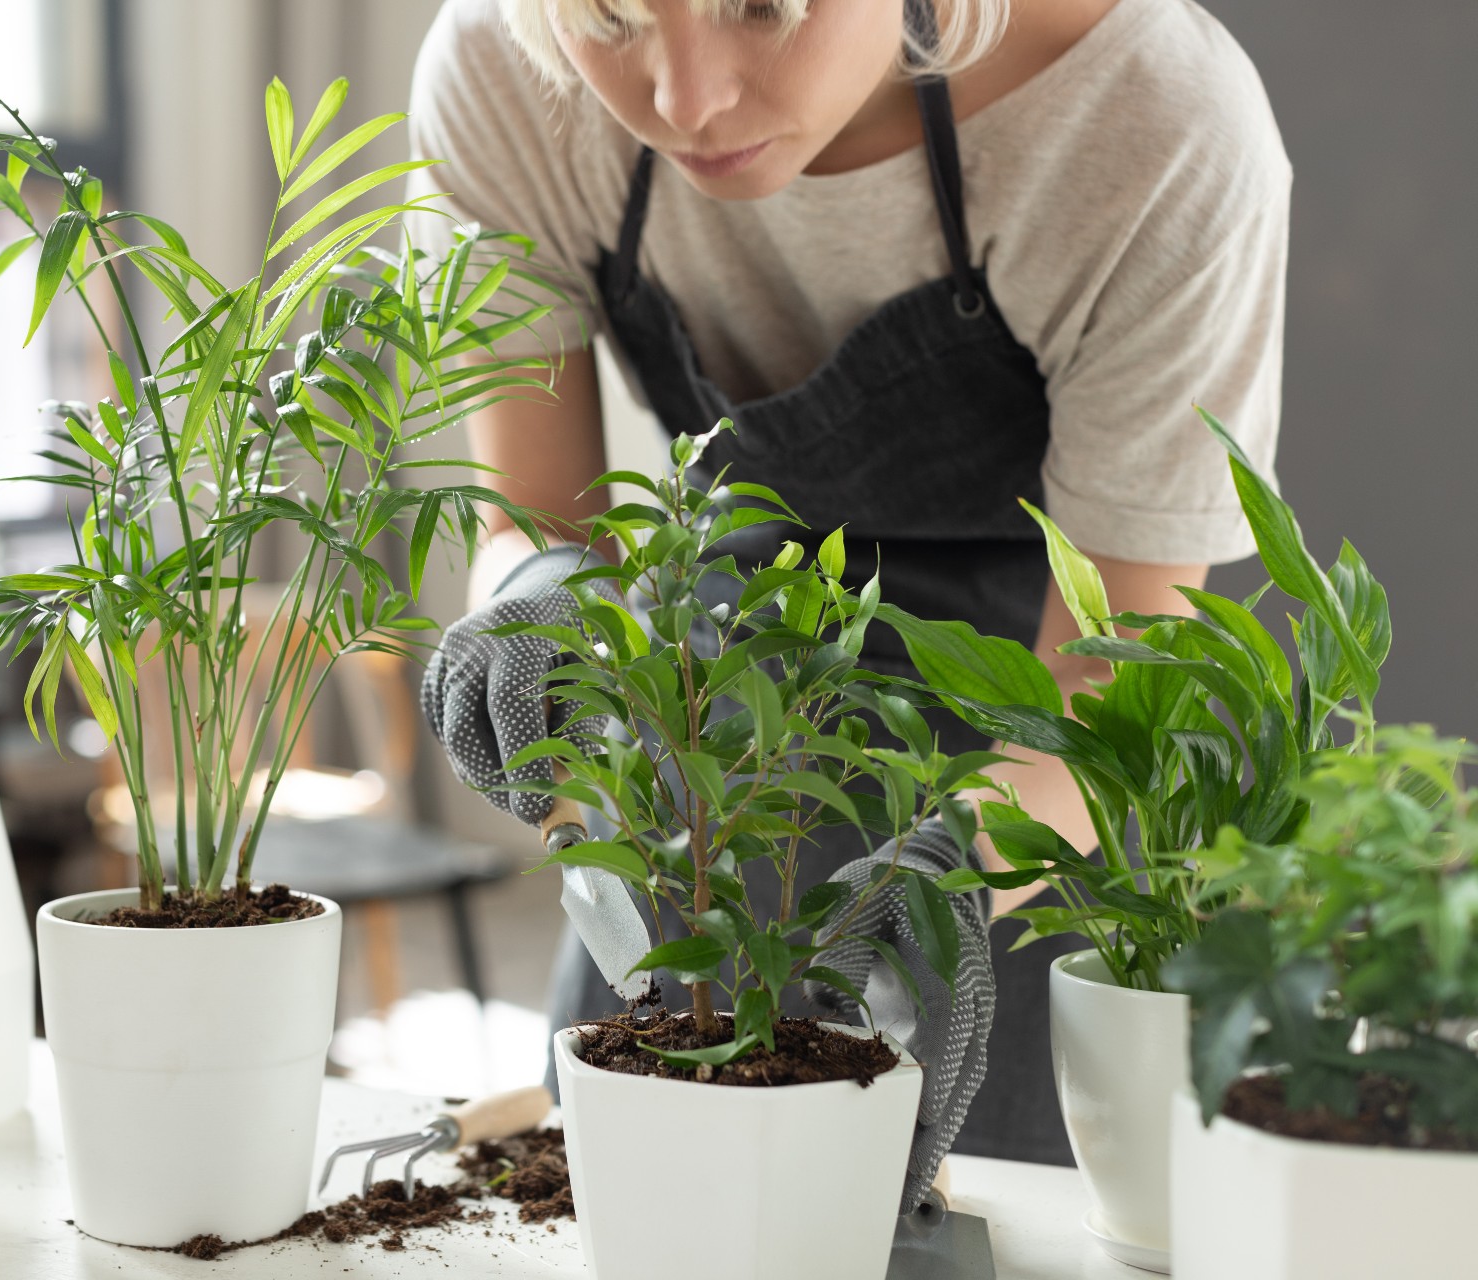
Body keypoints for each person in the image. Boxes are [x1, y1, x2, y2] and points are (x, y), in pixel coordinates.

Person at [410, 0, 1289, 1175]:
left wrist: (953, 872)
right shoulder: (505, 69)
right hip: (726, 717)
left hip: (1036, 759)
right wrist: (541, 591)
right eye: (613, 14)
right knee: (646, 1191)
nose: (684, 97)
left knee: (992, 1214)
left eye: (762, 7)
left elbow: (1115, 689)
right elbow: (534, 508)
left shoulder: (1148, 119)